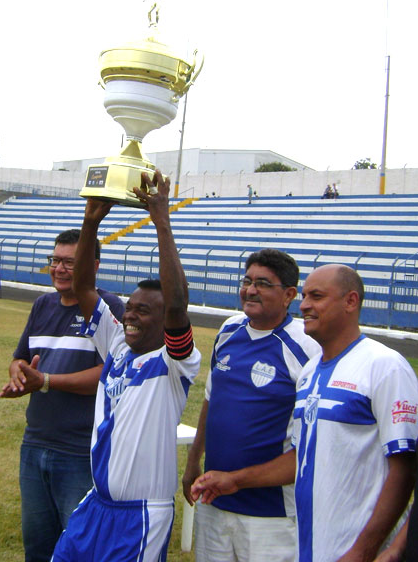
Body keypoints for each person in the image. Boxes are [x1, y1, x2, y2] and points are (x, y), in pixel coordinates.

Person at [192, 264, 418, 562]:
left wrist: (366, 550)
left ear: (351, 301)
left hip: (356, 547)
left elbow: (405, 467)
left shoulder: (385, 365)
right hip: (310, 542)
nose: (306, 305)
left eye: (318, 296)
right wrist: (235, 480)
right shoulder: (311, 372)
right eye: (306, 295)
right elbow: (301, 456)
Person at [51, 170, 201, 561]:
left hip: (140, 515)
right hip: (96, 503)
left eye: (143, 311)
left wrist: (161, 223)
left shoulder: (174, 363)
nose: (130, 315)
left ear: (163, 317)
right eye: (129, 307)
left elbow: (176, 304)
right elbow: (84, 288)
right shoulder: (117, 343)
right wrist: (90, 221)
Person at [0, 229, 125, 562]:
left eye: (70, 262)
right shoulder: (42, 304)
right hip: (35, 442)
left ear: (93, 266)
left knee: (78, 548)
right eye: (55, 260)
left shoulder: (108, 307)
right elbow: (20, 357)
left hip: (80, 450)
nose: (59, 268)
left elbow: (110, 373)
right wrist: (19, 375)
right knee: (37, 546)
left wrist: (48, 381)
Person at [182, 249, 321, 561]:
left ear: (288, 295)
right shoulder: (229, 331)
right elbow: (210, 401)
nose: (250, 290)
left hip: (271, 514)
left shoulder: (306, 346)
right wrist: (194, 460)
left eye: (262, 283)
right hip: (213, 501)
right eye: (247, 281)